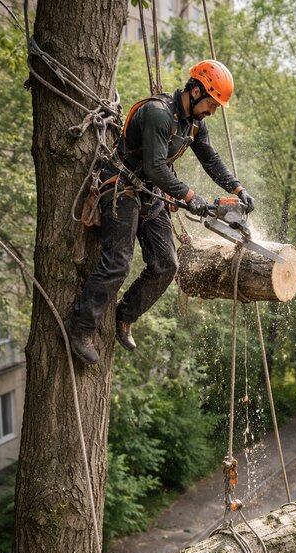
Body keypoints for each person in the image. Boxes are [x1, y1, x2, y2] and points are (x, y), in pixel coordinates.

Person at [64, 60, 255, 364]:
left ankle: (123, 315)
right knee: (118, 262)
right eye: (212, 103)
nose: (212, 111)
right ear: (196, 91)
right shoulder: (158, 114)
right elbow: (154, 166)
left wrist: (237, 188)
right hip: (122, 186)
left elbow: (210, 159)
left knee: (167, 264)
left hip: (151, 193)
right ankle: (80, 326)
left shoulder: (194, 123)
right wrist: (189, 195)